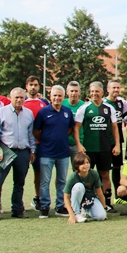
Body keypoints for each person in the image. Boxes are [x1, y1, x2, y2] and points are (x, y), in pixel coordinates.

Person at [0, 87, 35, 221]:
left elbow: (30, 134)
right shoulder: (1, 113)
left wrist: (32, 150)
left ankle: (17, 209)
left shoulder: (29, 113)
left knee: (19, 183)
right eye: (16, 97)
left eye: (21, 98)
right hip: (6, 151)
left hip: (23, 152)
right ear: (10, 98)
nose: (19, 100)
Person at [73, 81, 121, 212]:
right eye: (92, 91)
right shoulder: (84, 108)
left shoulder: (109, 108)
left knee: (105, 175)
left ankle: (107, 202)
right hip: (88, 149)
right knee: (85, 175)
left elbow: (115, 128)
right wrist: (79, 144)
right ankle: (83, 202)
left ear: (102, 92)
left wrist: (117, 144)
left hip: (105, 148)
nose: (94, 94)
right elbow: (76, 128)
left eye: (96, 91)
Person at [33, 85, 74, 218]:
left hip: (62, 152)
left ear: (63, 97)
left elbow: (70, 129)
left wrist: (60, 138)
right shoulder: (43, 112)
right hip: (46, 153)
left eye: (59, 96)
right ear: (50, 96)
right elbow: (36, 131)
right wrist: (46, 140)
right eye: (54, 95)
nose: (57, 98)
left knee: (62, 180)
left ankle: (60, 206)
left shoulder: (67, 111)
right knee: (45, 181)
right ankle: (44, 206)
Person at [24, 75, 50, 212]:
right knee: (20, 173)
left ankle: (38, 197)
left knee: (39, 172)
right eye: (30, 85)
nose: (33, 87)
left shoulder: (44, 102)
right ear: (26, 86)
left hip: (40, 143)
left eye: (35, 85)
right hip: (24, 143)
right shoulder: (22, 101)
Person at [104, 80, 127, 207]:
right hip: (105, 141)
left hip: (118, 141)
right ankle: (104, 197)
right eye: (113, 87)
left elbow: (125, 119)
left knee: (117, 168)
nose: (116, 90)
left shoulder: (122, 103)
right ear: (108, 89)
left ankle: (118, 196)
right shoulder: (104, 103)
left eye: (118, 88)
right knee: (104, 170)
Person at [63, 153, 108, 223]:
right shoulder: (73, 177)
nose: (86, 165)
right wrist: (71, 214)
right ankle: (77, 213)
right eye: (83, 164)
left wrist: (104, 207)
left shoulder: (94, 173)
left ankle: (86, 210)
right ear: (77, 166)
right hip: (76, 198)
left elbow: (99, 192)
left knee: (101, 216)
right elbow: (66, 197)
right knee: (79, 186)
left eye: (87, 163)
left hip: (89, 198)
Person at [62, 81, 84, 158]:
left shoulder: (84, 106)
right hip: (63, 142)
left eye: (76, 91)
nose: (74, 93)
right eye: (71, 91)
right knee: (62, 167)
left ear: (79, 92)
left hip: (77, 143)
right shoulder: (61, 104)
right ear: (67, 92)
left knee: (77, 168)